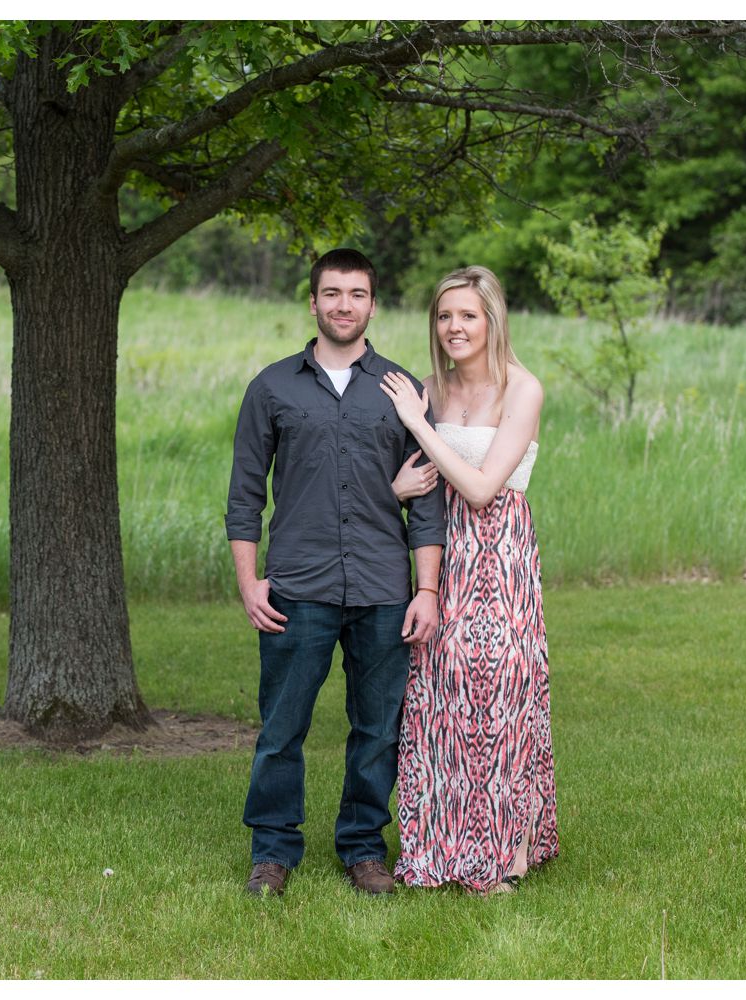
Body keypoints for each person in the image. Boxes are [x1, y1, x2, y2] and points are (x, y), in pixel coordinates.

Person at [226, 248, 447, 897]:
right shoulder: (272, 387)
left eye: (356, 293)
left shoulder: (403, 392)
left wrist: (427, 588)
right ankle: (273, 850)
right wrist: (249, 581)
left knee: (377, 729)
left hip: (383, 589)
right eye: (332, 293)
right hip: (298, 586)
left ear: (372, 304)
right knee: (282, 726)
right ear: (314, 302)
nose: (344, 305)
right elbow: (245, 495)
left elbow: (428, 503)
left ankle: (362, 847)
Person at [379, 264, 559, 895]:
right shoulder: (426, 387)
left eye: (467, 316)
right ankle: (439, 844)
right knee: (440, 694)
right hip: (438, 547)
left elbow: (483, 489)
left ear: (492, 320)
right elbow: (396, 479)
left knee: (505, 693)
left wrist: (420, 424)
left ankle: (506, 853)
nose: (454, 327)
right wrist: (395, 486)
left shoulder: (522, 389)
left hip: (501, 552)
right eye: (444, 315)